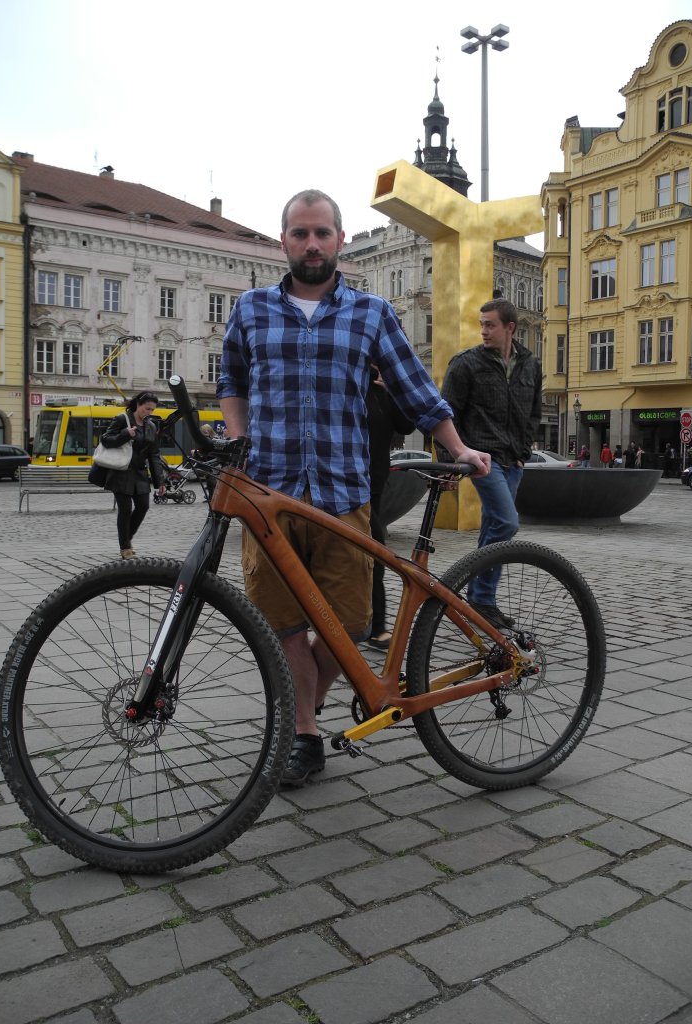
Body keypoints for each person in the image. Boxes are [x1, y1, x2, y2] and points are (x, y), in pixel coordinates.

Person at [217, 188, 490, 787]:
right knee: (282, 621)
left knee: (351, 625)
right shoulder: (252, 310)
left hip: (344, 493)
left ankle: (300, 713)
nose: (311, 244)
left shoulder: (371, 315)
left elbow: (416, 390)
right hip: (269, 493)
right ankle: (304, 734)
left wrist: (459, 447)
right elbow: (231, 380)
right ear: (283, 241)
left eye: (322, 234)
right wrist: (237, 439)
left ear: (341, 240)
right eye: (299, 234)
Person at [440, 298, 542, 628]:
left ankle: (481, 601)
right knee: (506, 523)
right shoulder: (466, 364)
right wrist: (449, 464)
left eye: (490, 324)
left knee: (492, 525)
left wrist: (524, 451)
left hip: (513, 459)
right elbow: (445, 412)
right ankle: (480, 596)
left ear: (510, 328)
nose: (483, 330)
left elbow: (534, 412)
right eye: (481, 324)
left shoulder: (530, 364)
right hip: (481, 457)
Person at [366, 366, 415, 650]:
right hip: (348, 485)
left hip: (374, 486)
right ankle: (375, 628)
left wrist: (392, 388)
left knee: (368, 555)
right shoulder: (352, 390)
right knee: (376, 550)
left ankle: (366, 623)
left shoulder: (382, 394)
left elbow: (407, 425)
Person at [96, 391, 166, 558]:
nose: (149, 413)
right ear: (138, 405)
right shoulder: (123, 419)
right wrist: (125, 434)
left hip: (140, 472)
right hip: (121, 471)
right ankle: (125, 547)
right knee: (125, 509)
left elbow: (154, 455)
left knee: (143, 506)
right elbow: (105, 439)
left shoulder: (151, 426)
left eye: (152, 410)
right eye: (147, 408)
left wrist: (160, 482)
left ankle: (127, 538)